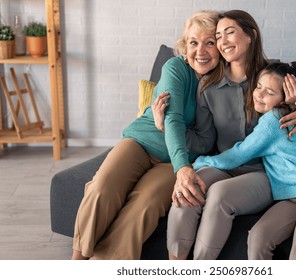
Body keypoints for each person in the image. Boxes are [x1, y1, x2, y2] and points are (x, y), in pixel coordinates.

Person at [152, 10, 296, 260]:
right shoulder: (208, 86)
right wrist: (165, 126)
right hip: (223, 164)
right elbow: (205, 141)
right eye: (218, 36)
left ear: (251, 35)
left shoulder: (275, 76)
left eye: (230, 33)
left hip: (265, 173)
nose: (223, 41)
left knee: (219, 195)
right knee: (187, 191)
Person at [71, 10, 224, 260]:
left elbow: (206, 141)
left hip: (173, 161)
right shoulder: (175, 67)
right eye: (194, 42)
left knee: (145, 206)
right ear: (185, 47)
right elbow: (174, 117)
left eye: (210, 42)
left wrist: (166, 131)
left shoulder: (220, 83)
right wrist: (183, 166)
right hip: (142, 143)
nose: (201, 51)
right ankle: (76, 262)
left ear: (220, 47)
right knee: (102, 188)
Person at [193, 61, 296, 260]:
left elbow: (237, 155)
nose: (259, 94)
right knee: (258, 237)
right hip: (291, 197)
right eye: (258, 87)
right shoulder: (277, 115)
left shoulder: (274, 120)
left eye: (270, 92)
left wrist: (199, 162)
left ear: (284, 99)